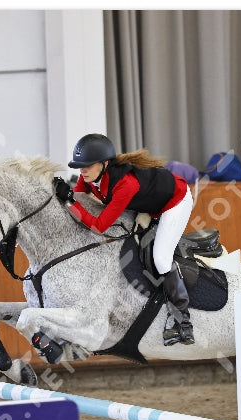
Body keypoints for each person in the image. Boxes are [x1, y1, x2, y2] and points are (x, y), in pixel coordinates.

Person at [54, 133, 195, 346]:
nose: (82, 170)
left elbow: (99, 226)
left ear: (104, 163)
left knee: (161, 258)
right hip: (148, 203)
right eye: (80, 166)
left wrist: (69, 202)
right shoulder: (88, 176)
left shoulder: (125, 184)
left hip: (175, 201)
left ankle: (183, 323)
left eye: (88, 165)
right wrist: (65, 197)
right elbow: (79, 200)